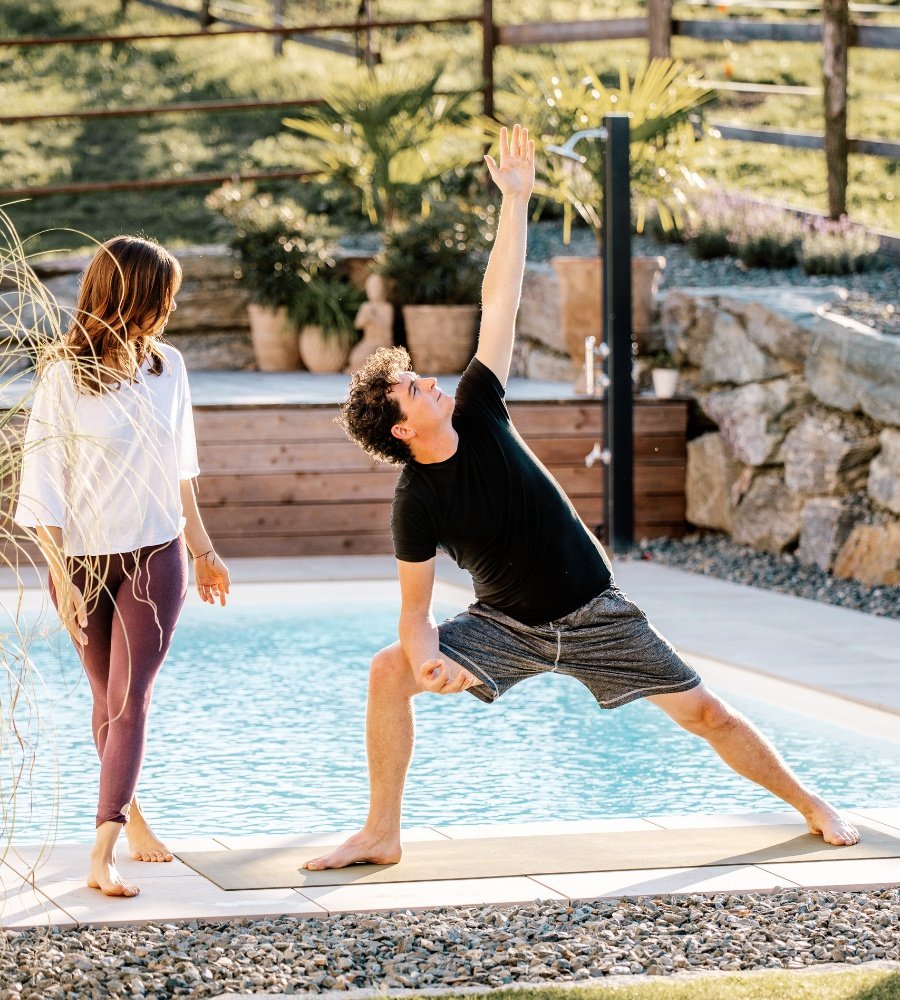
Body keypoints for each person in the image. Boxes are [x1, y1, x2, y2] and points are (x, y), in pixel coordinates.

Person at [307, 124, 859, 872]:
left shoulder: (478, 404)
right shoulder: (415, 501)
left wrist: (515, 202)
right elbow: (414, 611)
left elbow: (496, 301)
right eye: (413, 387)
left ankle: (811, 804)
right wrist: (428, 660)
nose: (429, 379)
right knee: (387, 671)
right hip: (505, 625)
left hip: (597, 612)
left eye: (419, 374)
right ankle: (381, 833)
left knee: (708, 713)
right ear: (403, 427)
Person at [14, 236, 231, 898]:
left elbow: (181, 470)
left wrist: (204, 549)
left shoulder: (169, 368)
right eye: (163, 296)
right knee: (104, 699)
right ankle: (134, 817)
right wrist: (59, 574)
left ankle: (101, 847)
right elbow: (43, 485)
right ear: (130, 296)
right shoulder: (62, 377)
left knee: (130, 696)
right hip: (79, 563)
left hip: (156, 554)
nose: (170, 309)